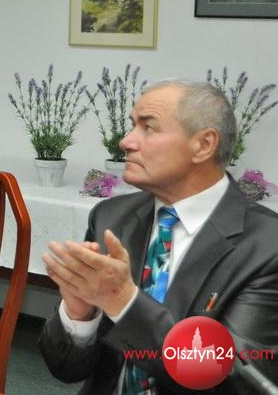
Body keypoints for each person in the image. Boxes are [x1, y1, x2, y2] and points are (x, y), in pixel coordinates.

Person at [40, 80, 278, 394]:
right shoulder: (111, 218)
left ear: (203, 145)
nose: (126, 141)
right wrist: (79, 316)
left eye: (148, 127)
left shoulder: (267, 245)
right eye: (132, 126)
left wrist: (124, 302)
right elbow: (66, 369)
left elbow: (240, 382)